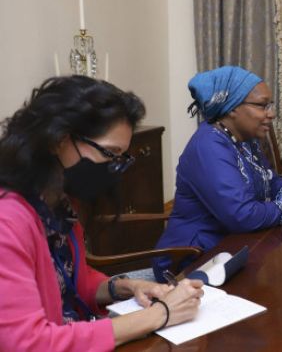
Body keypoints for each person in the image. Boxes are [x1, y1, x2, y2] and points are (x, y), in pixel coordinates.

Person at [0, 76, 203, 349]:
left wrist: (127, 286)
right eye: (109, 153)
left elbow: (74, 281)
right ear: (58, 140)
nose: (114, 168)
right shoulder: (7, 221)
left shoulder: (59, 203)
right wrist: (160, 314)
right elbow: (29, 343)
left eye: (121, 158)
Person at [153, 66, 282, 281]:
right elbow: (242, 215)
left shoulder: (243, 140)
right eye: (262, 105)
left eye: (270, 105)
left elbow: (270, 182)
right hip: (191, 260)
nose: (271, 113)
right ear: (232, 108)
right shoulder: (208, 146)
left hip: (233, 247)